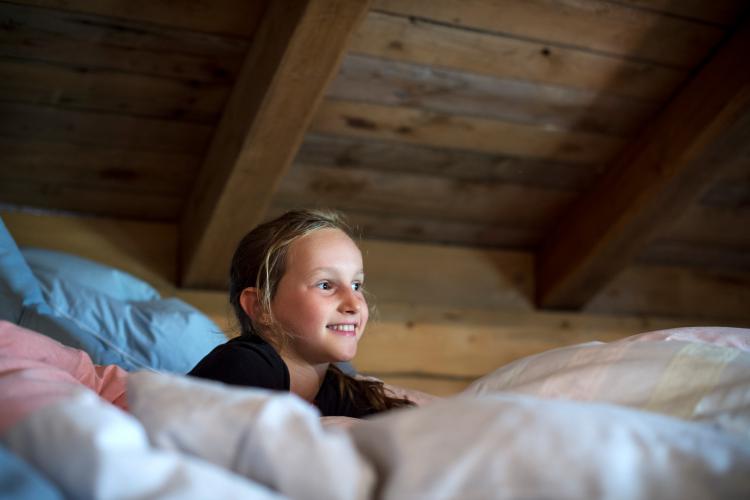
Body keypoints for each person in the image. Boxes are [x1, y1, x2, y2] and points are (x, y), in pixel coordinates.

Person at [189, 209, 414, 418]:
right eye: (326, 285)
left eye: (356, 285)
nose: (353, 304)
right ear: (261, 306)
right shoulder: (243, 367)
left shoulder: (338, 390)